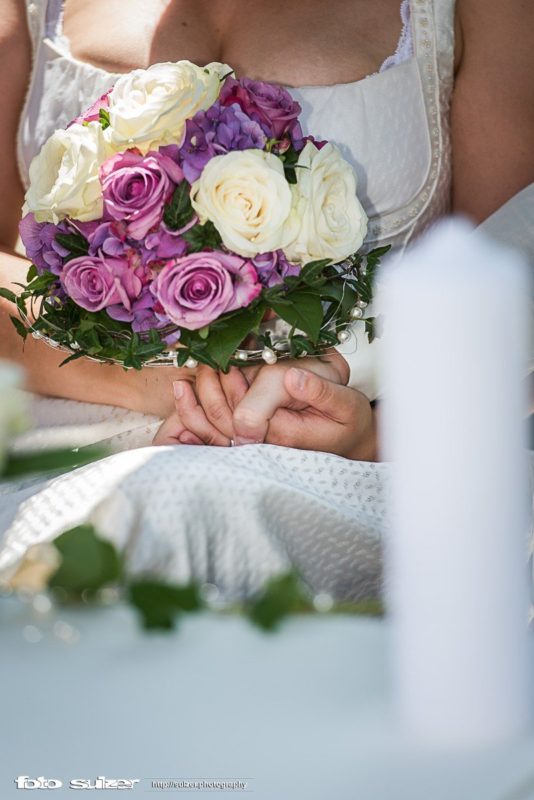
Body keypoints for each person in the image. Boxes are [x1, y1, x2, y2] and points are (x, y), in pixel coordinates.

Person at [1, 0, 533, 600]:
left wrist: (376, 433)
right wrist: (159, 381)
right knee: (90, 538)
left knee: (163, 517)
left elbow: (507, 270)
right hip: (70, 434)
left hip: (344, 457)